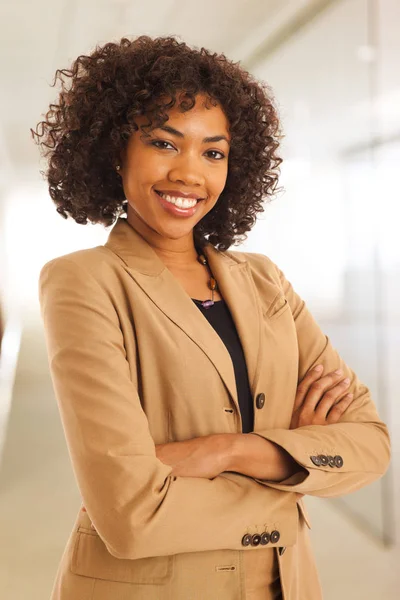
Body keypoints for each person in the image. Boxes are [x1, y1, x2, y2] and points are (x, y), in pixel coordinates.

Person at [32, 36, 390, 600]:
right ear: (114, 151)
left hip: (287, 584)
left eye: (213, 152)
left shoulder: (264, 278)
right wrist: (291, 463)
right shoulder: (82, 280)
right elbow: (130, 516)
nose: (189, 174)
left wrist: (224, 451)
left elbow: (369, 443)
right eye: (162, 143)